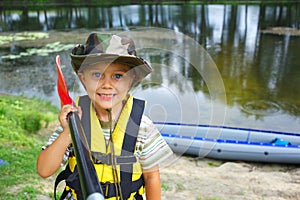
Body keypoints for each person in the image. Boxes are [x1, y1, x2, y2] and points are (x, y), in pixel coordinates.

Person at [36, 33, 173, 200]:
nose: (107, 85)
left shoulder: (142, 127)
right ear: (83, 79)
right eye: (97, 75)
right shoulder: (73, 122)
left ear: (131, 80)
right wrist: (67, 132)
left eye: (117, 76)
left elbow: (151, 177)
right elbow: (44, 170)